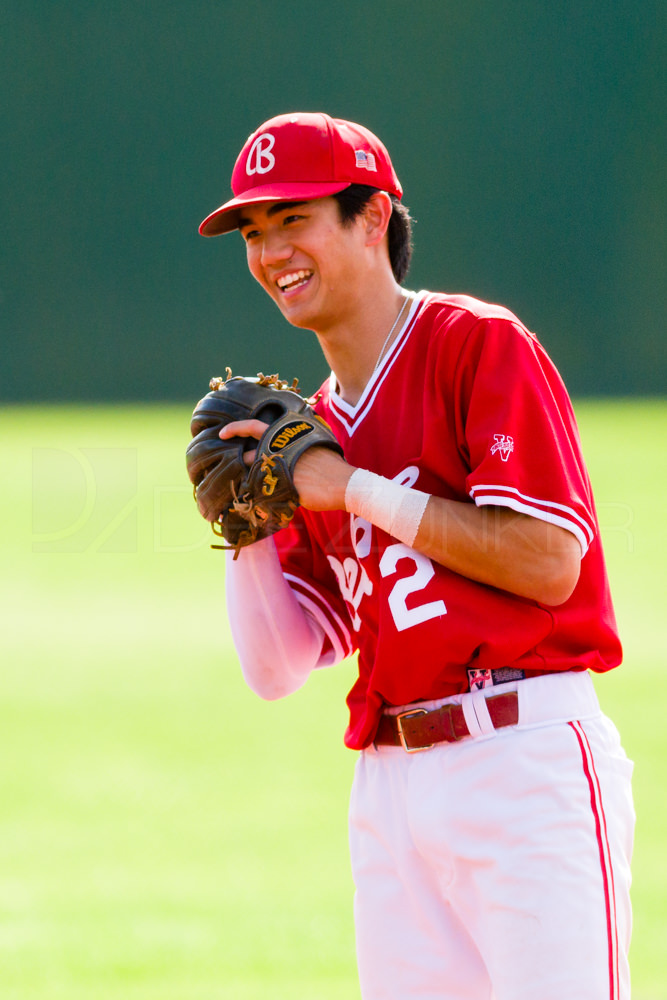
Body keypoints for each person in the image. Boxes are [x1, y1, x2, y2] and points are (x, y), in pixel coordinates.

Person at [197, 112, 634, 999]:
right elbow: (279, 667)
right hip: (390, 790)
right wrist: (244, 532)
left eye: (294, 219)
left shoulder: (474, 344)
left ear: (371, 217)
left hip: (522, 759)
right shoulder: (306, 435)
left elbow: (549, 561)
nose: (271, 249)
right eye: (253, 230)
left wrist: (353, 488)